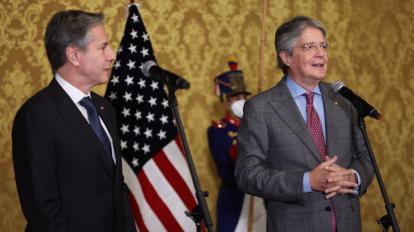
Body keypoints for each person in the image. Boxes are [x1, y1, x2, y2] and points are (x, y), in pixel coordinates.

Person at [234, 16, 374, 232]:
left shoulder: (344, 100)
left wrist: (353, 177)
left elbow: (366, 159)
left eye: (323, 45)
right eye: (310, 47)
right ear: (286, 57)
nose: (321, 53)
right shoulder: (261, 107)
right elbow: (248, 174)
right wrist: (307, 181)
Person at [12, 10, 136, 232]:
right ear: (74, 55)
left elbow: (116, 187)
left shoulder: (104, 108)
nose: (112, 55)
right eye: (102, 47)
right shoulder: (36, 116)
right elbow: (43, 210)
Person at [208, 61, 266, 232]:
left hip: (259, 194)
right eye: (235, 97)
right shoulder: (218, 131)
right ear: (226, 101)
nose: (241, 101)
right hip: (234, 195)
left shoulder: (256, 125)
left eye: (243, 97)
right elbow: (225, 165)